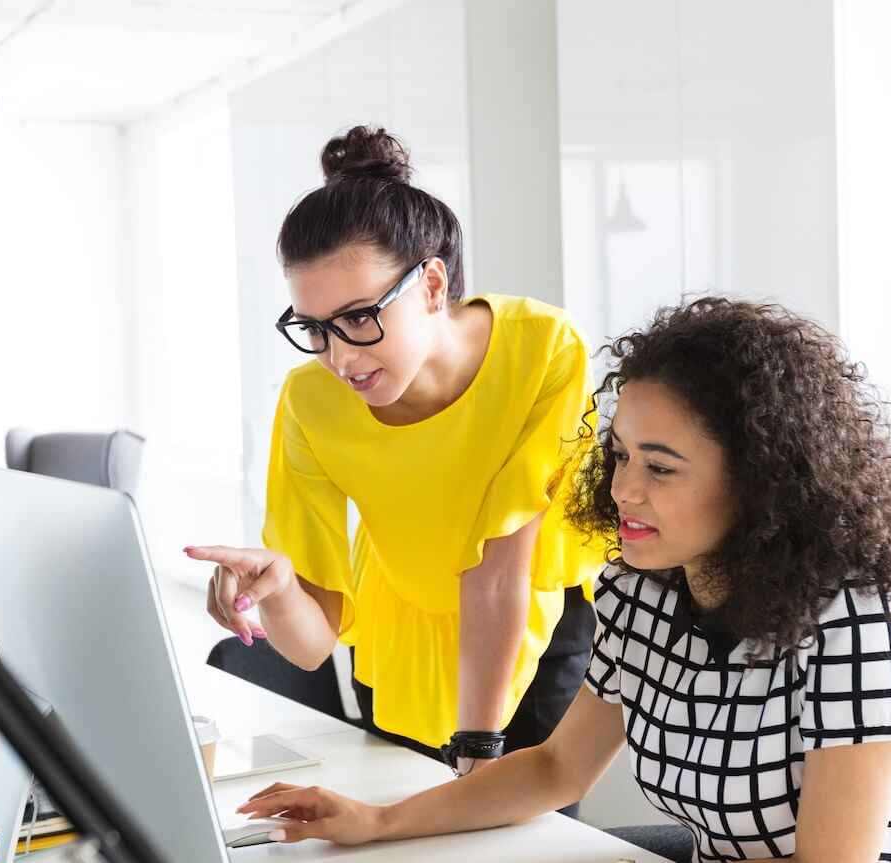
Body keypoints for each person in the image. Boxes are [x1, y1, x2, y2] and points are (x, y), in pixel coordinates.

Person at [233, 298, 891, 862]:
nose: (623, 491)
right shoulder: (644, 590)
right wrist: (376, 820)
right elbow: (555, 767)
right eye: (620, 456)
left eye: (661, 467)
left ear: (760, 482)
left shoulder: (848, 621)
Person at [184, 126, 605, 785]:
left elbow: (499, 576)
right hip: (400, 630)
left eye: (359, 317)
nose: (340, 356)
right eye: (315, 328)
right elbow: (312, 641)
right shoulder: (308, 402)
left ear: (432, 285)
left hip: (529, 625)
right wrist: (279, 586)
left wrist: (477, 750)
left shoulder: (544, 350)